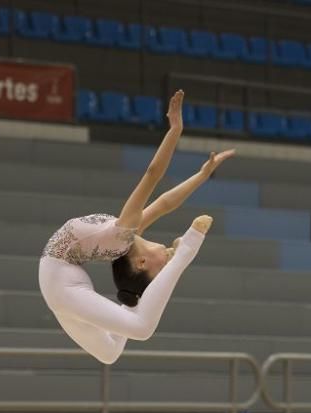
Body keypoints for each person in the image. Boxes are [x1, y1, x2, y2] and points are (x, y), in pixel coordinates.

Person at [38, 89, 235, 364]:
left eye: (163, 262)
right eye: (169, 258)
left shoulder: (123, 237)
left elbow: (155, 179)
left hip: (61, 279)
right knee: (137, 333)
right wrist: (196, 168)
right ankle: (186, 253)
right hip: (61, 279)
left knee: (110, 353)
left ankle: (133, 304)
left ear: (141, 263)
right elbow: (163, 200)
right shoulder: (125, 237)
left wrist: (178, 134)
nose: (165, 252)